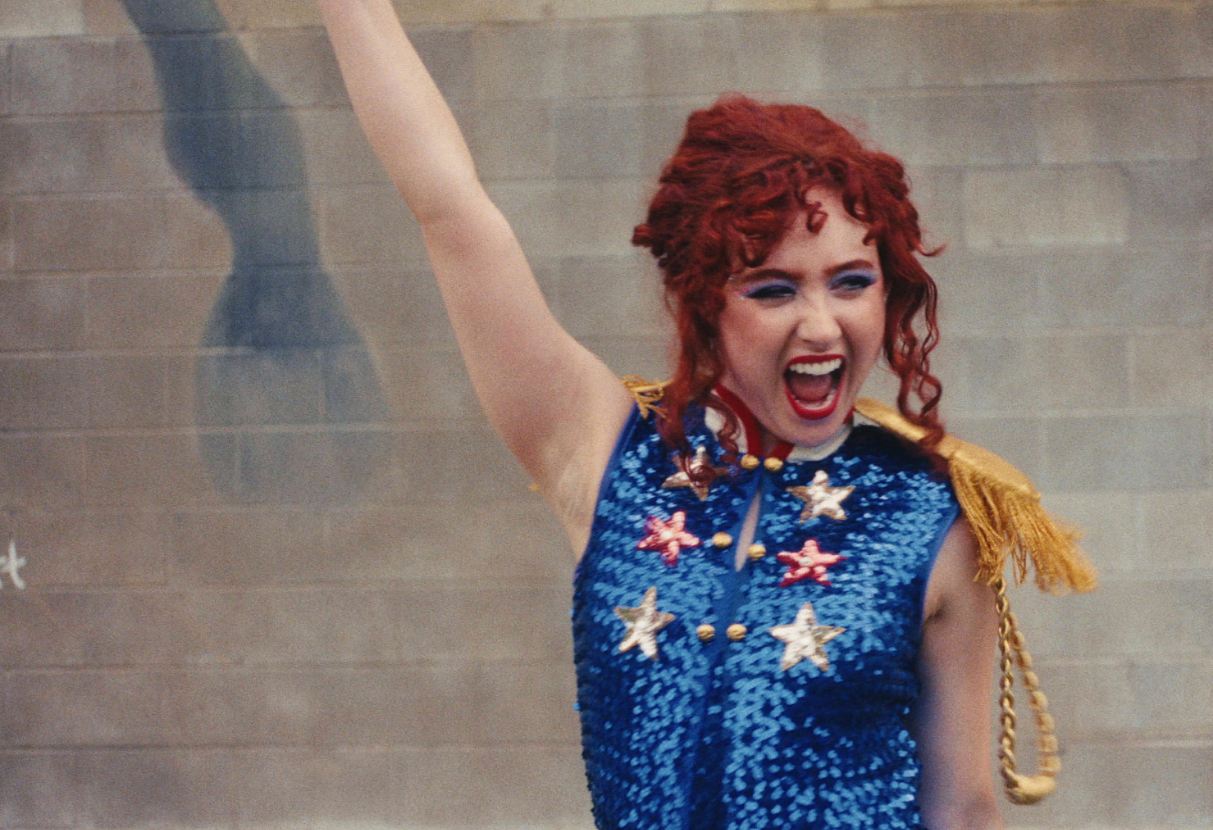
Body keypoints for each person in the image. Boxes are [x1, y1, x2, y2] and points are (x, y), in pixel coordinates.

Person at [318, 3, 1095, 828]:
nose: (822, 324)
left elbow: (965, 810)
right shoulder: (606, 453)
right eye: (773, 289)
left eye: (851, 281)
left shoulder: (934, 516)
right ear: (703, 307)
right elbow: (451, 210)